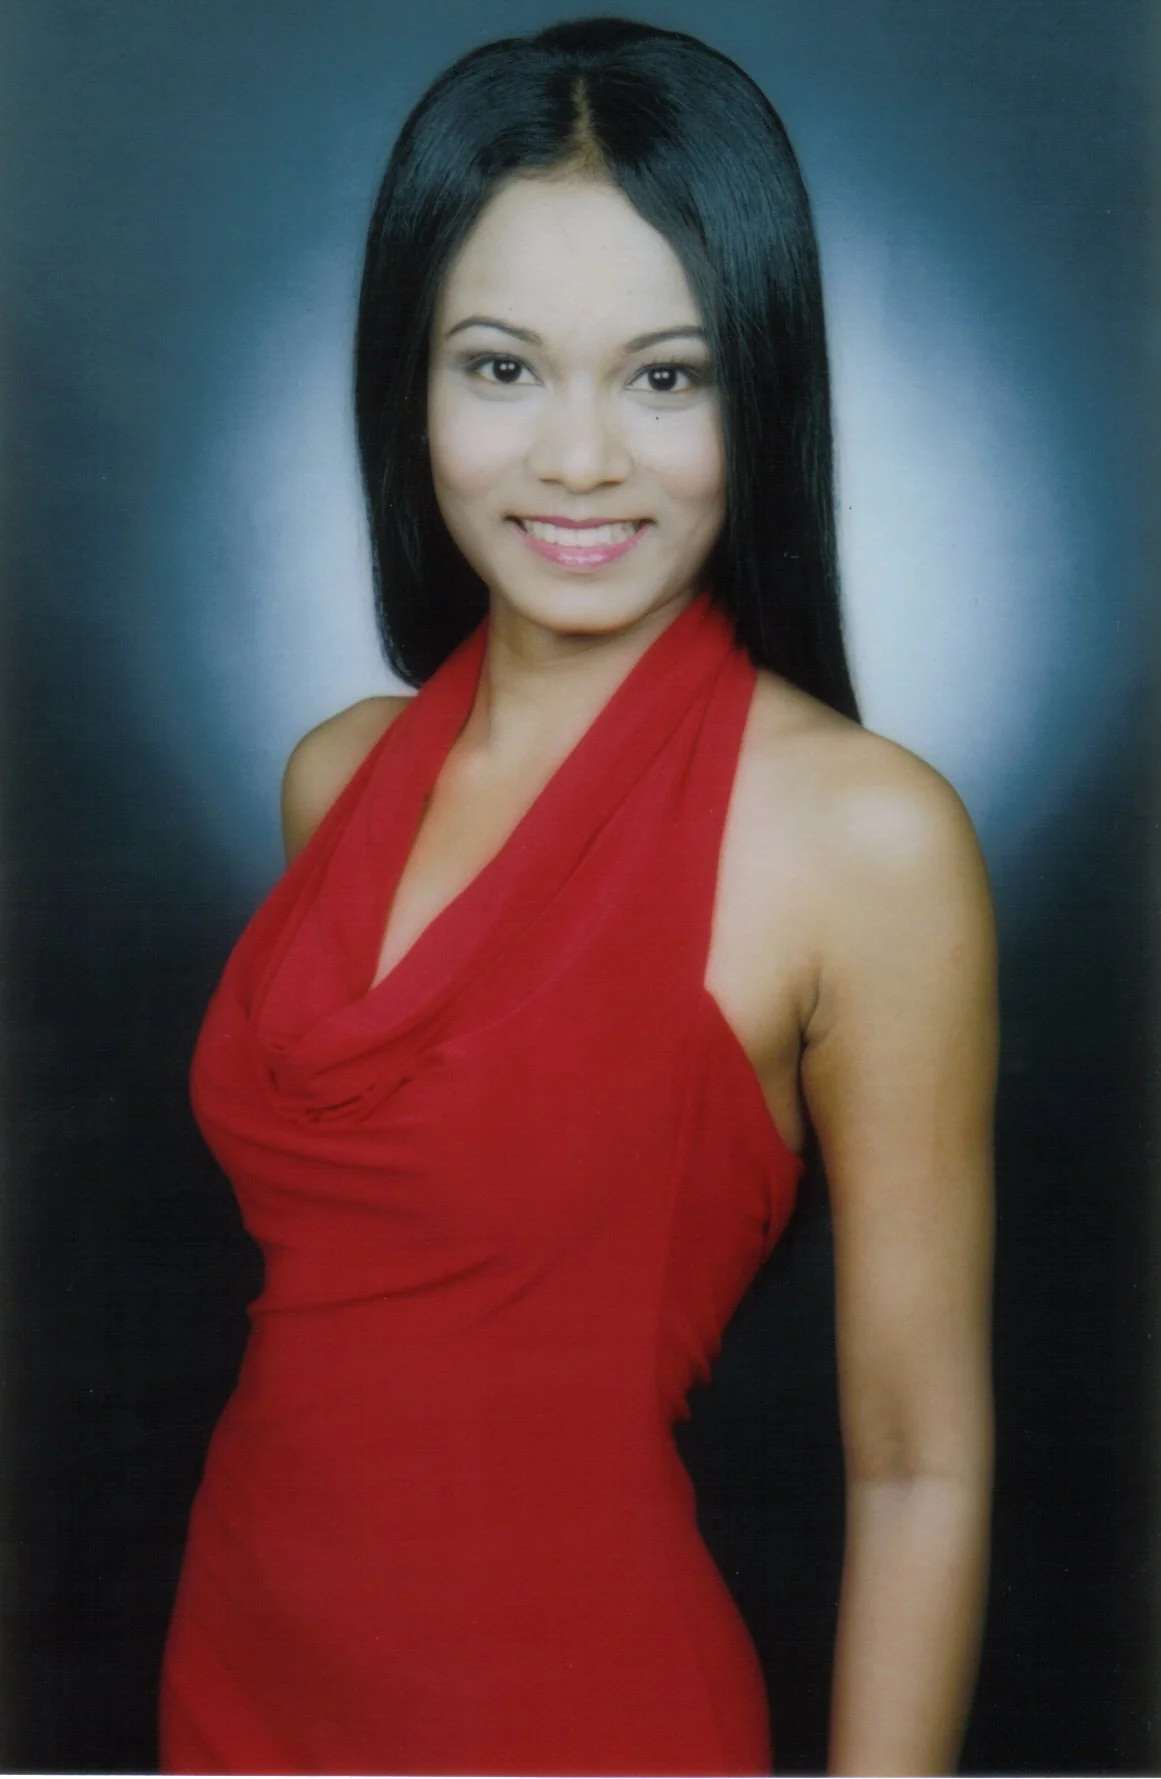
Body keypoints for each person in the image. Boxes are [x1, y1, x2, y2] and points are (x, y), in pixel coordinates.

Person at [159, 16, 995, 1776]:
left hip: (580, 1718)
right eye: (503, 367)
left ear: (761, 390)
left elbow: (920, 1460)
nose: (582, 459)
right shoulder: (336, 774)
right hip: (236, 1682)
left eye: (667, 378)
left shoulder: (865, 838)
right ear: (409, 379)